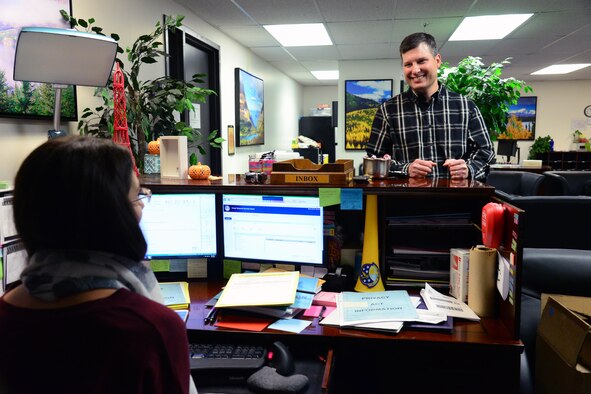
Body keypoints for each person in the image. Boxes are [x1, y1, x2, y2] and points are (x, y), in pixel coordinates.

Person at [0, 136, 192, 394]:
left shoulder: (6, 318)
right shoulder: (150, 329)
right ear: (111, 214)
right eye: (137, 197)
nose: (142, 209)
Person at [366, 32, 495, 181]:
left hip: (457, 201)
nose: (415, 70)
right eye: (408, 64)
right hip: (404, 201)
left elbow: (486, 152)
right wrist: (406, 169)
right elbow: (373, 160)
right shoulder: (388, 111)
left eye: (421, 61)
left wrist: (468, 168)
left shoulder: (466, 107)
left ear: (437, 60)